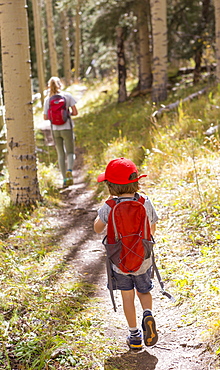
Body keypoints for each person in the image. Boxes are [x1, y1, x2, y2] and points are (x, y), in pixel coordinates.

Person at [94, 157, 159, 350]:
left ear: (110, 186)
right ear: (136, 181)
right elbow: (152, 229)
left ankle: (135, 336)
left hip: (119, 262)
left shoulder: (109, 206)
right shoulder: (144, 201)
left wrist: (101, 218)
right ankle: (147, 314)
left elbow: (98, 229)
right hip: (143, 259)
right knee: (144, 291)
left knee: (127, 296)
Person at [43, 76, 78, 188]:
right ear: (60, 84)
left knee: (60, 153)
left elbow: (45, 117)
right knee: (70, 152)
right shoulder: (67, 96)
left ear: (49, 86)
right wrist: (67, 114)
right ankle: (69, 170)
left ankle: (64, 179)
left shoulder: (48, 100)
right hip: (67, 127)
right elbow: (75, 112)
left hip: (55, 130)